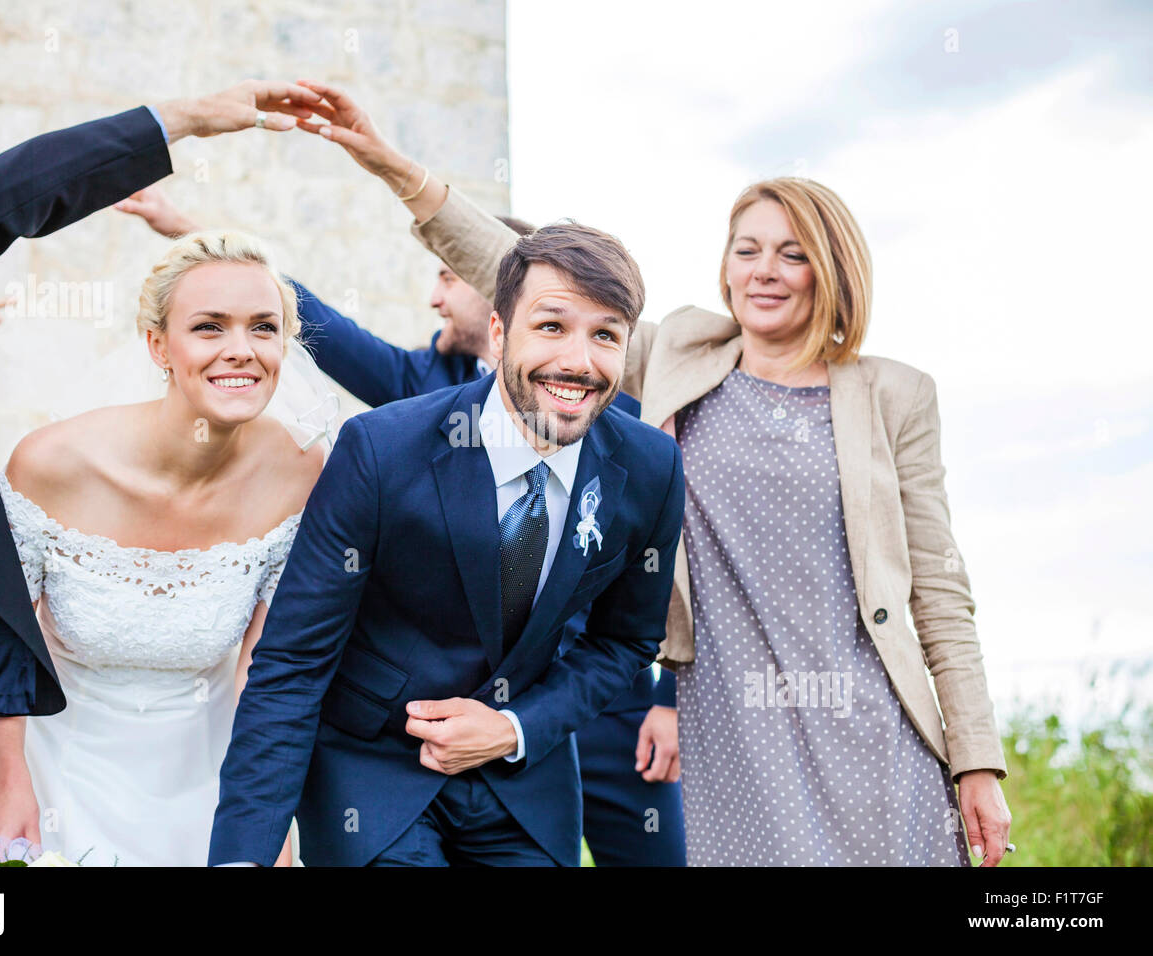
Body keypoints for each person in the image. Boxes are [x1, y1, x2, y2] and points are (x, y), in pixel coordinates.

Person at [295, 82, 1014, 867]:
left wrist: (975, 755)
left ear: (832, 268)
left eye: (793, 252)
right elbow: (517, 268)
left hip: (862, 717)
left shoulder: (896, 396)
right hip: (723, 722)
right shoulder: (673, 355)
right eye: (747, 249)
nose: (765, 271)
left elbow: (940, 592)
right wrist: (390, 164)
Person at [0, 3, 325, 865]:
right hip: (76, 769)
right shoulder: (59, 462)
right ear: (159, 346)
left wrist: (179, 120)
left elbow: (4, 194)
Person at [118, 186, 685, 865]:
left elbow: (622, 644)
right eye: (552, 326)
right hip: (373, 772)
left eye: (605, 336)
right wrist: (244, 852)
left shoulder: (651, 467)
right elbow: (293, 663)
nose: (578, 361)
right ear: (501, 333)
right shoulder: (381, 450)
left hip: (525, 786)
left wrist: (512, 727)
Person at [0, 231, 328, 866]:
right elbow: (0, 644)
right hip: (61, 769)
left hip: (214, 774)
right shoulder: (51, 463)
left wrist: (265, 815)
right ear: (158, 345)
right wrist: (9, 783)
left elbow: (264, 666)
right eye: (210, 328)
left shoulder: (299, 469)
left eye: (264, 328)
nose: (241, 351)